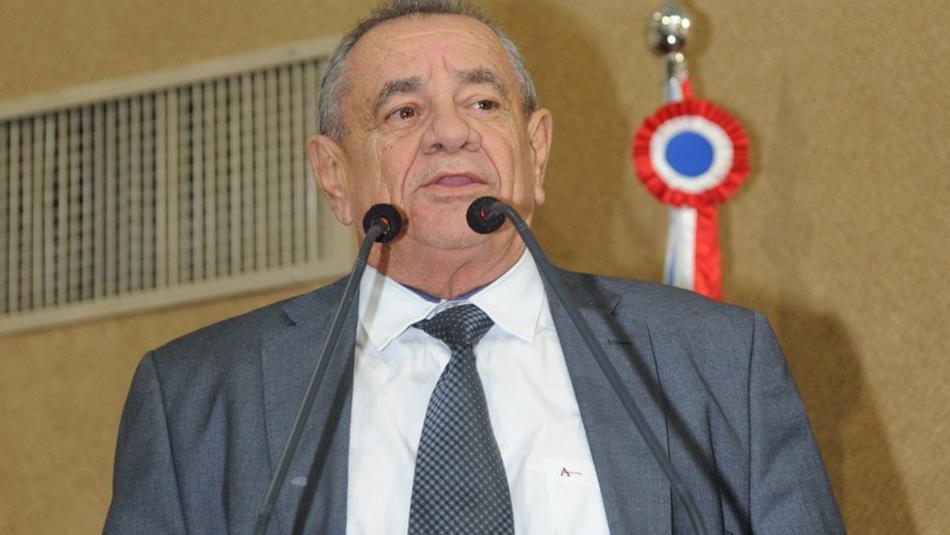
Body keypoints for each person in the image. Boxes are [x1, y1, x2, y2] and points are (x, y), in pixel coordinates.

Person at [104, 1, 845, 533]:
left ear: (536, 151)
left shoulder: (715, 360)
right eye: (403, 112)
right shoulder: (199, 396)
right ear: (332, 174)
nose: (451, 132)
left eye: (483, 103)